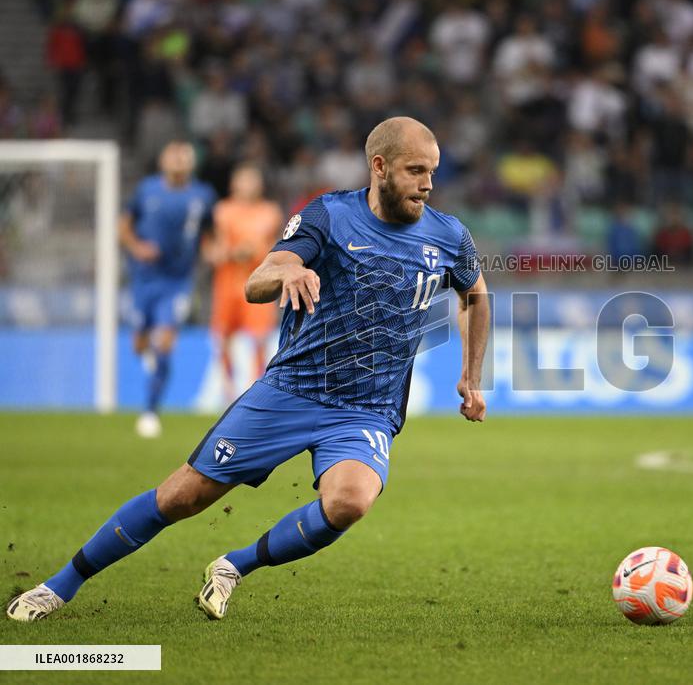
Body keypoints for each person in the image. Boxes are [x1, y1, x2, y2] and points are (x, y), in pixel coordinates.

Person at [7, 117, 489, 622]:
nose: (428, 183)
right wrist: (291, 269)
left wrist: (471, 375)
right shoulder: (329, 215)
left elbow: (475, 296)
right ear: (379, 167)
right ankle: (60, 585)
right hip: (290, 392)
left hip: (364, 410)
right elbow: (258, 279)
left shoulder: (450, 235)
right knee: (182, 497)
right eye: (416, 170)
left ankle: (233, 566)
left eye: (432, 171)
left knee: (350, 501)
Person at [119, 141, 217, 438]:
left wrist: (215, 253)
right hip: (143, 279)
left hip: (177, 281)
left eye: (183, 154)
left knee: (164, 343)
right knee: (139, 344)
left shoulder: (203, 195)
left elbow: (209, 235)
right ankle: (151, 356)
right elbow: (123, 226)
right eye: (172, 154)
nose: (177, 159)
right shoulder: (147, 189)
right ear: (162, 160)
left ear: (191, 162)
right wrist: (137, 248)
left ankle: (150, 411)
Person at [205, 163, 284, 401]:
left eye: (253, 180)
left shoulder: (270, 212)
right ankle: (228, 390)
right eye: (244, 179)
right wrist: (228, 253)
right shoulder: (222, 211)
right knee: (223, 338)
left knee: (259, 337)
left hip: (260, 285)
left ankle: (255, 388)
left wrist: (255, 251)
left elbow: (278, 246)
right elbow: (212, 248)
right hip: (227, 284)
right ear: (233, 184)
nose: (248, 185)